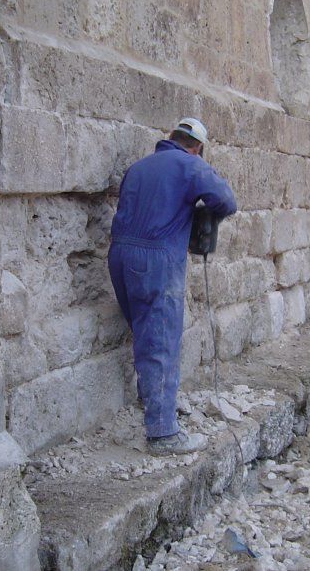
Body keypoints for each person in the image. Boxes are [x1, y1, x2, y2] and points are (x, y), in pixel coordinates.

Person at [108, 118, 237, 456]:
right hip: (157, 259)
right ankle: (162, 433)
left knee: (142, 329)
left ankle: (151, 399)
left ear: (171, 137)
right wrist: (202, 211)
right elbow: (226, 200)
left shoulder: (138, 167)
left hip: (120, 255)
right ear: (197, 147)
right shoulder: (190, 165)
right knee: (161, 340)